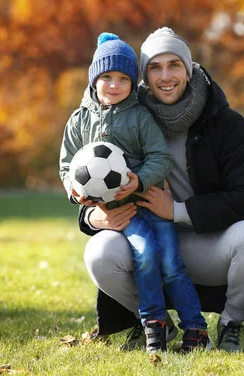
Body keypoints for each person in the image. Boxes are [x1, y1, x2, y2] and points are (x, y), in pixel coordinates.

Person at [79, 27, 244, 353]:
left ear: (188, 71)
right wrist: (93, 217)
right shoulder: (124, 119)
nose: (165, 76)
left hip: (208, 243)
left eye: (174, 65)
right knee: (99, 252)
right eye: (155, 67)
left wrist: (177, 211)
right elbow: (93, 178)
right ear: (144, 76)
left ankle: (231, 324)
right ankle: (156, 325)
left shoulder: (227, 125)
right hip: (148, 240)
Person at [59, 32, 211, 352]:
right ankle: (154, 324)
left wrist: (138, 180)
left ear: (133, 83)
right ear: (94, 78)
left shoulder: (140, 116)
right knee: (146, 255)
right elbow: (67, 167)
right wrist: (76, 192)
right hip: (122, 213)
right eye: (107, 77)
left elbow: (160, 157)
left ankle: (196, 329)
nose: (114, 85)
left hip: (149, 202)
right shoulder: (78, 121)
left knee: (171, 263)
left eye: (124, 78)